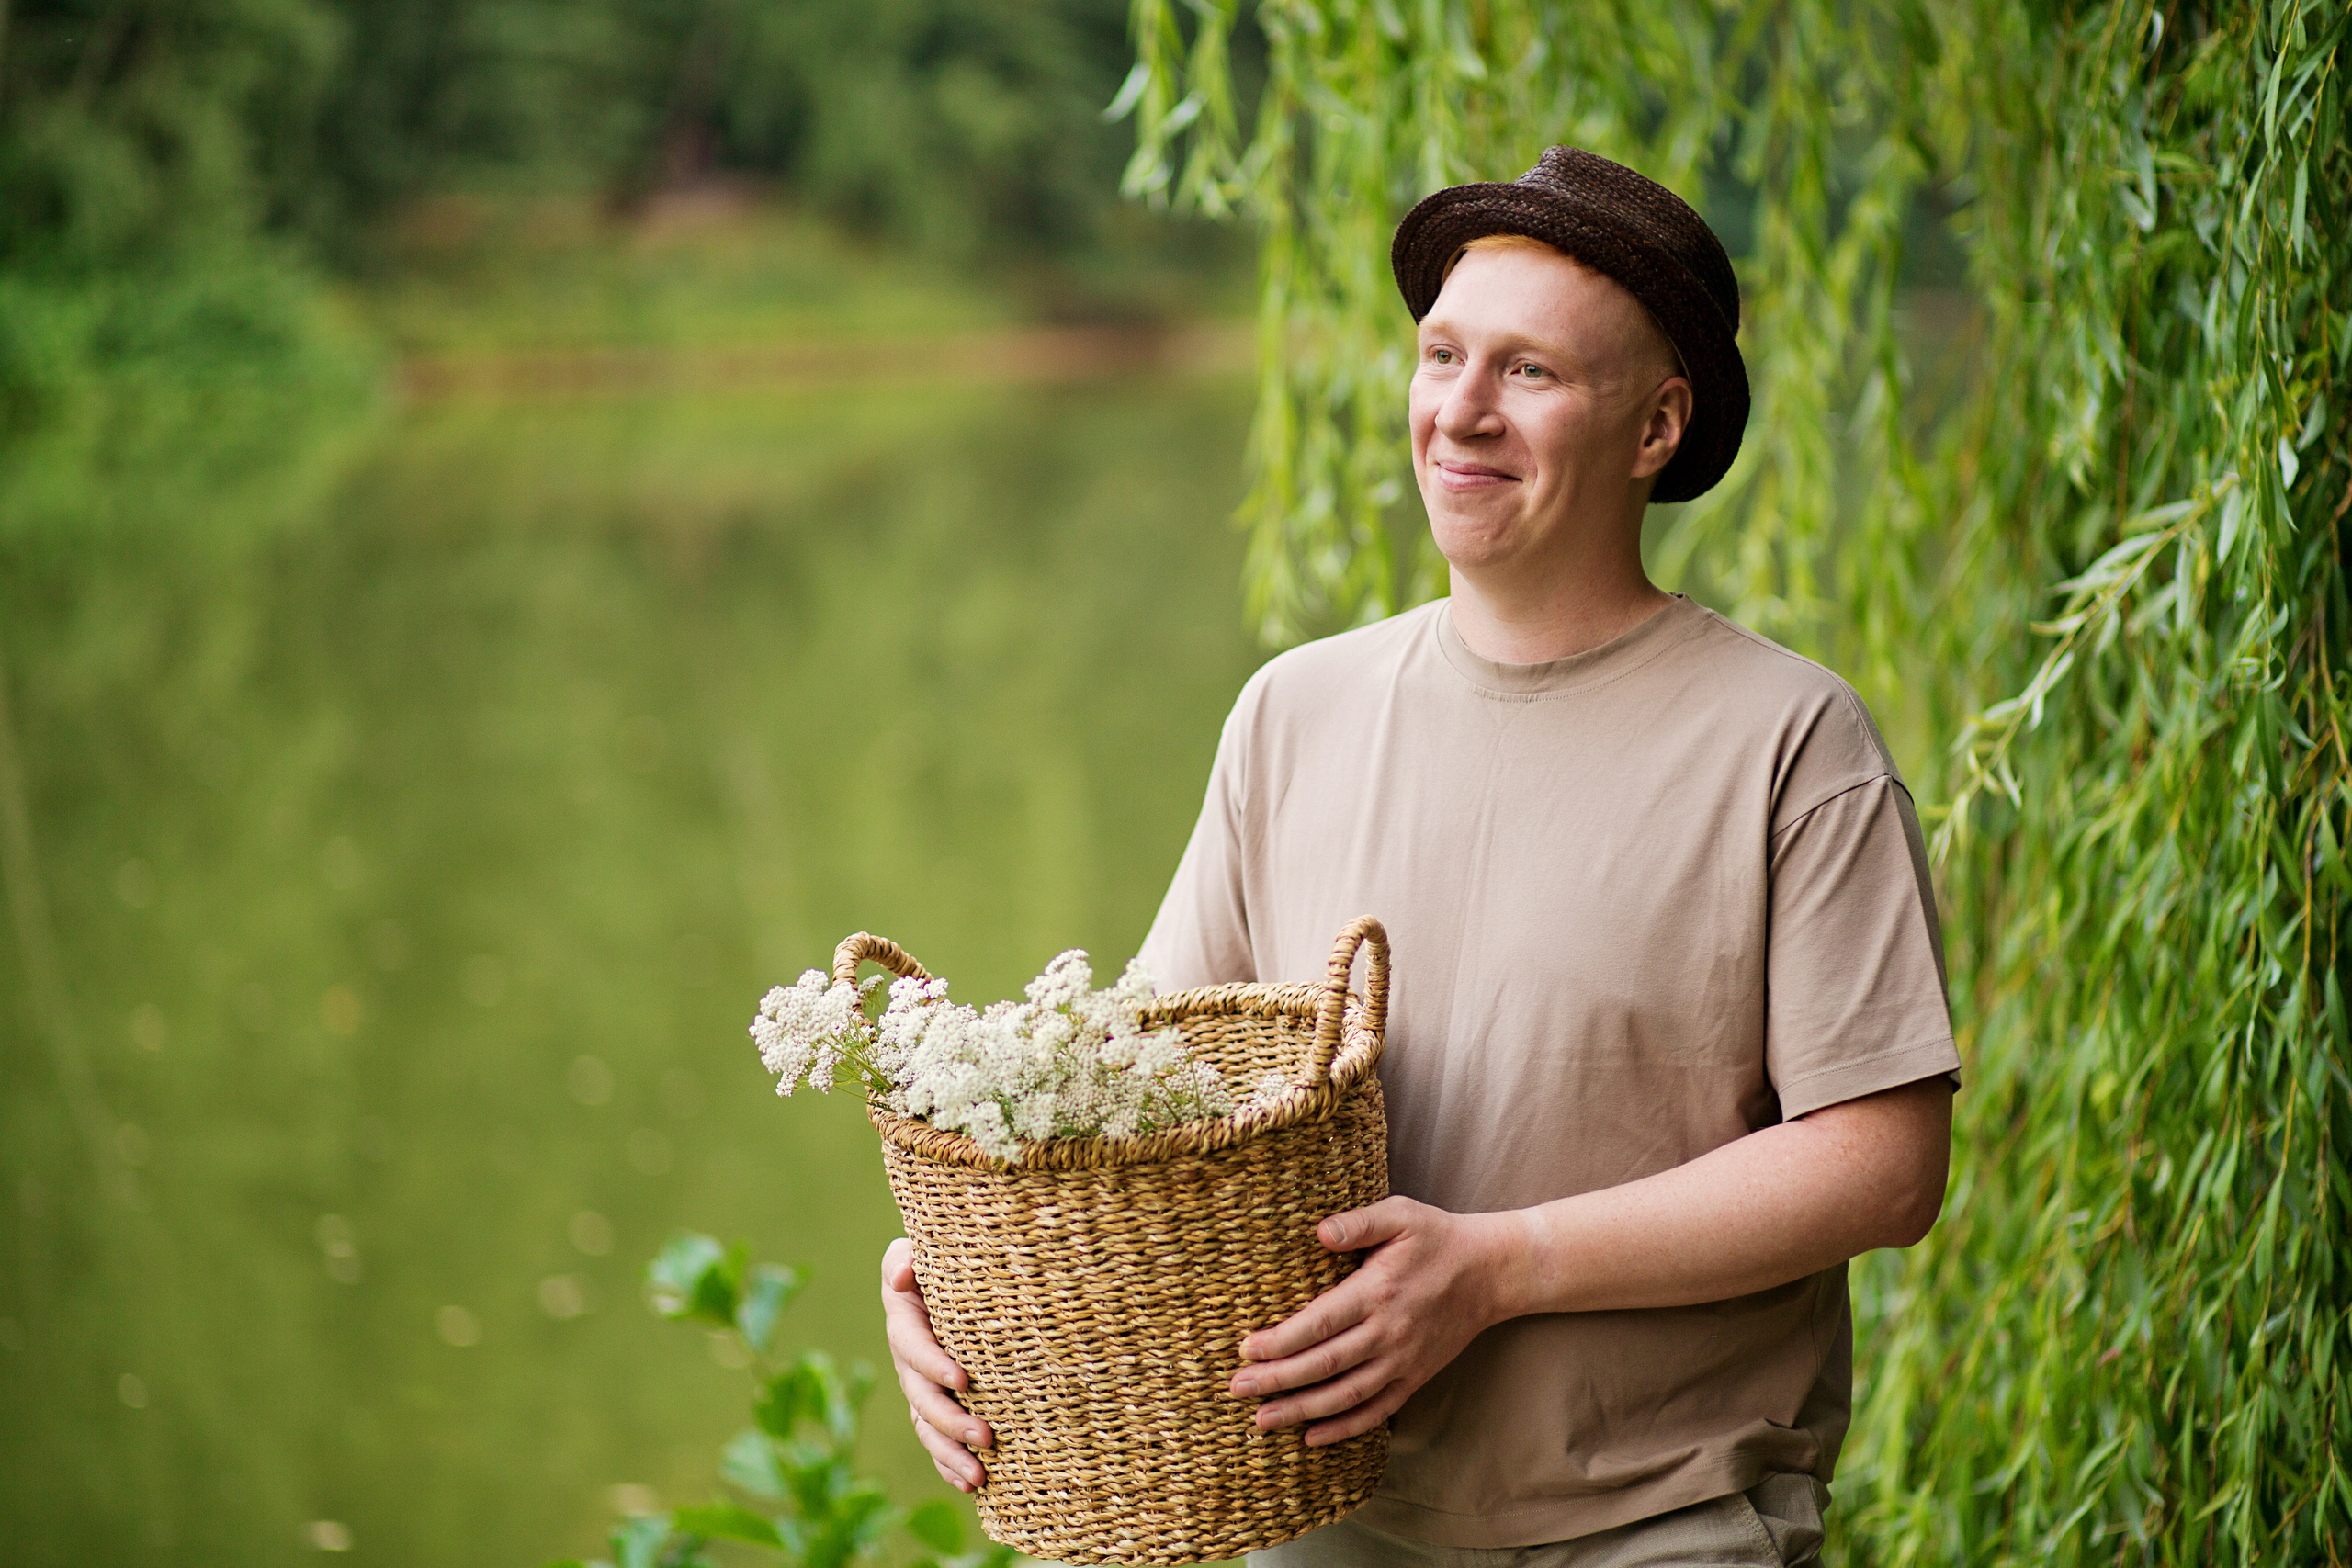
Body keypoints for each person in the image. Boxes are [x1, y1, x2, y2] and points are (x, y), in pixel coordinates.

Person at [880, 146, 1960, 1566]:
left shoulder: (1790, 741)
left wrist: (1499, 1268)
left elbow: (1882, 1163)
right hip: (1317, 1521)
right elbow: (1132, 1095)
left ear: (1655, 429)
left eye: (1529, 374)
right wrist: (956, 1271)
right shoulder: (1293, 712)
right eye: (1442, 354)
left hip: (1657, 1522)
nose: (1459, 412)